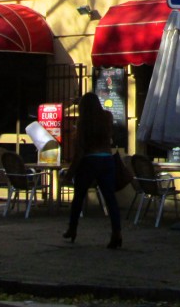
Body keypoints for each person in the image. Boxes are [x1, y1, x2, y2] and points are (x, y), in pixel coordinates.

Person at [64, 92, 122, 248]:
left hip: (90, 160)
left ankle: (72, 227)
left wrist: (70, 173)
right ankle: (117, 232)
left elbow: (80, 151)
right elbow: (110, 136)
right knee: (110, 198)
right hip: (107, 160)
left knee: (79, 196)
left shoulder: (83, 122)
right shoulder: (107, 117)